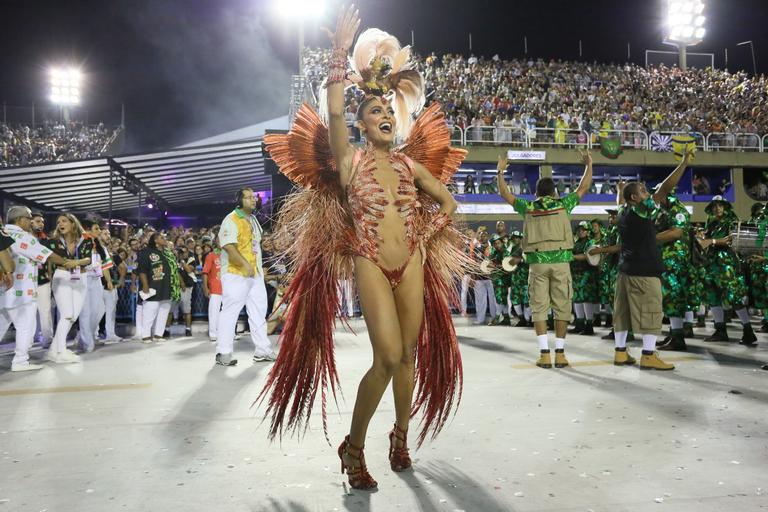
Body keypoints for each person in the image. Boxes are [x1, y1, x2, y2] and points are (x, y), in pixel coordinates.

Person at [261, 6, 468, 490]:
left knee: (410, 356)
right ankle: (353, 447)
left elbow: (450, 202)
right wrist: (337, 54)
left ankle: (400, 435)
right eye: (374, 112)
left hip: (411, 260)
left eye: (387, 113)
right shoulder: (349, 161)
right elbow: (333, 110)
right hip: (370, 258)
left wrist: (426, 233)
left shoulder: (409, 166)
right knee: (388, 357)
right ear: (361, 125)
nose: (383, 118)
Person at [497, 149, 593, 369]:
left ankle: (544, 354)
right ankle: (560, 353)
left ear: (537, 193)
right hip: (561, 263)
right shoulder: (563, 205)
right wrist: (589, 165)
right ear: (554, 192)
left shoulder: (528, 207)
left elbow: (505, 194)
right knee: (562, 307)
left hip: (537, 265)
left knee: (539, 309)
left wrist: (500, 171)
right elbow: (584, 188)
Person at [608, 152, 692, 370]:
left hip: (624, 270)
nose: (648, 193)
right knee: (651, 311)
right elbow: (664, 189)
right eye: (643, 191)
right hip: (644, 271)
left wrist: (620, 191)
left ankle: (620, 353)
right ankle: (648, 355)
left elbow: (620, 202)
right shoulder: (641, 210)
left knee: (622, 313)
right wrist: (683, 164)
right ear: (635, 199)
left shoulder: (623, 211)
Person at [0, 207, 74, 371]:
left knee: (2, 324)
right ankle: (20, 361)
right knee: (26, 326)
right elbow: (46, 255)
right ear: (20, 220)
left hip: (3, 290)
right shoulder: (23, 236)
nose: (31, 222)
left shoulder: (3, 232)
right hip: (21, 291)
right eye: (29, 218)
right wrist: (67, 262)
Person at [216, 187, 275, 366]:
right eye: (248, 198)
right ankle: (223, 352)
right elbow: (228, 246)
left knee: (258, 312)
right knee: (230, 312)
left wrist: (257, 268)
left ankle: (262, 350)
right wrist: (244, 264)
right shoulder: (231, 219)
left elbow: (256, 246)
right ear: (239, 201)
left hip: (254, 275)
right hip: (236, 274)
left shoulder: (254, 219)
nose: (253, 200)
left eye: (254, 197)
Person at [698, 196, 756, 345]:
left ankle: (748, 331)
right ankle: (720, 330)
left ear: (725, 207)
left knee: (734, 296)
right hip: (711, 264)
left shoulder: (731, 221)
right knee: (713, 296)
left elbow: (731, 240)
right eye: (715, 206)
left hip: (726, 265)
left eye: (720, 205)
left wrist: (710, 241)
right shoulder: (711, 223)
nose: (717, 208)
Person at [47, 214, 101, 363]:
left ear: (72, 223)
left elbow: (88, 259)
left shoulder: (87, 240)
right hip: (62, 277)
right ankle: (60, 350)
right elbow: (49, 257)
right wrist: (66, 263)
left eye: (64, 221)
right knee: (67, 314)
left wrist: (76, 262)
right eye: (58, 222)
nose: (60, 224)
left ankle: (54, 349)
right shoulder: (53, 241)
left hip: (80, 278)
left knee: (73, 316)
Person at [136, 232, 173, 343]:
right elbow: (142, 270)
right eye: (162, 237)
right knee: (150, 311)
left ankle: (158, 335)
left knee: (164, 310)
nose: (165, 239)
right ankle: (146, 335)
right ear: (155, 240)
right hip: (153, 286)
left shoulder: (166, 253)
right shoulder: (146, 252)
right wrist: (145, 285)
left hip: (165, 287)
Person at [30, 212, 53, 347]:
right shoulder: (23, 238)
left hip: (43, 279)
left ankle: (47, 339)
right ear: (30, 222)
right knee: (29, 312)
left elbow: (50, 259)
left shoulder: (46, 240)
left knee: (45, 311)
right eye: (38, 221)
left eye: (42, 222)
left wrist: (50, 275)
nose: (41, 224)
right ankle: (29, 339)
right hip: (26, 281)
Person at [202, 241, 222, 342]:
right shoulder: (211, 255)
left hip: (228, 288)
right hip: (215, 288)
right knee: (214, 312)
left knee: (227, 312)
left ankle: (226, 333)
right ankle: (213, 333)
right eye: (219, 240)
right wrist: (205, 288)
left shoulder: (230, 255)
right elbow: (205, 272)